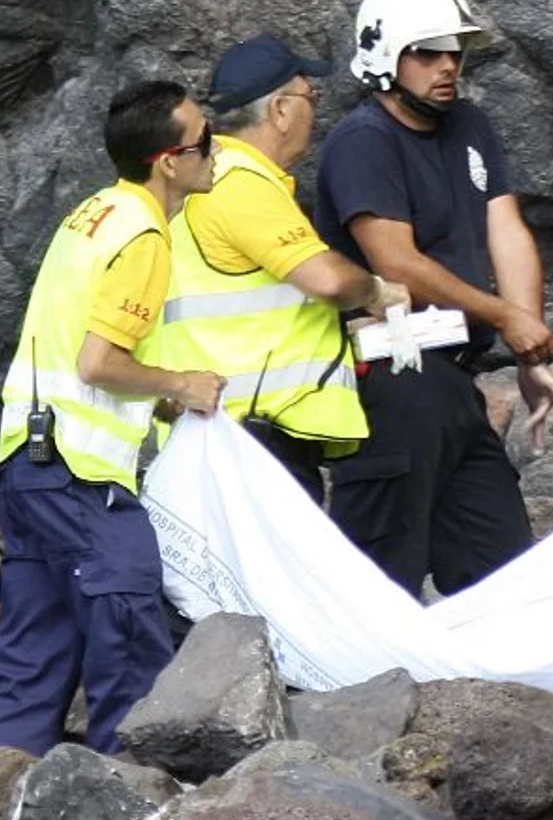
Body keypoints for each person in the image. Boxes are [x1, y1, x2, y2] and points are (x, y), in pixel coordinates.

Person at [0, 80, 226, 756]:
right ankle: (124, 798)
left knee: (33, 654)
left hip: (27, 468)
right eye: (205, 142)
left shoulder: (92, 214)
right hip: (81, 478)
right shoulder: (144, 236)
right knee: (128, 642)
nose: (216, 151)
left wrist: (158, 396)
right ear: (168, 162)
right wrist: (181, 384)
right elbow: (97, 362)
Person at [313, 0, 553, 597]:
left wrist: (528, 349)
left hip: (455, 378)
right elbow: (395, 262)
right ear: (384, 56)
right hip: (391, 379)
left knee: (500, 570)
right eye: (426, 53)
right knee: (379, 574)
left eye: (454, 52)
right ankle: (351, 667)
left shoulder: (470, 126)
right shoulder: (362, 142)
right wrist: (504, 317)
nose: (447, 66)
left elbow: (506, 232)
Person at [138, 35, 409, 503]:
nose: (314, 112)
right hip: (252, 441)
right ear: (280, 110)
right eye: (310, 97)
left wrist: (341, 334)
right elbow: (329, 280)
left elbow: (246, 311)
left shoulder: (203, 179)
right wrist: (377, 292)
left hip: (216, 434)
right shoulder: (241, 181)